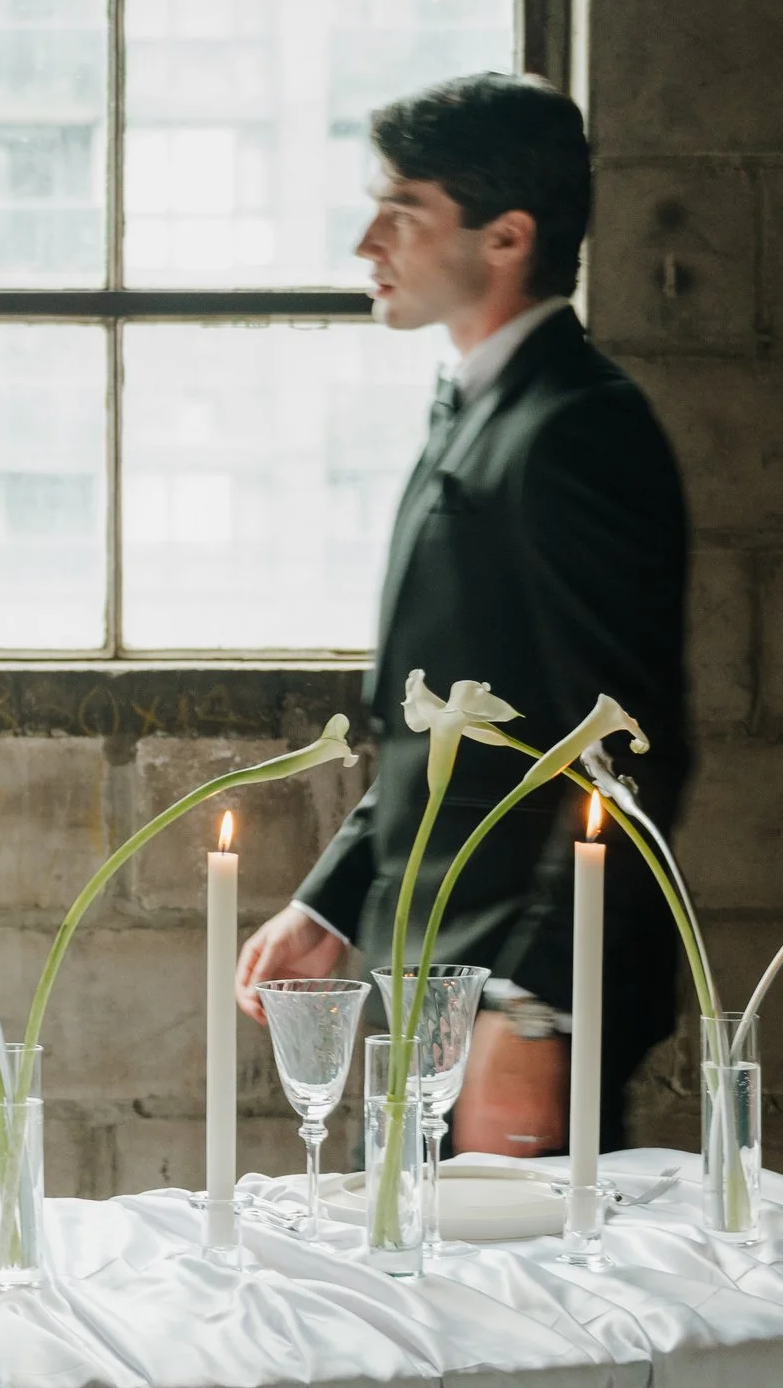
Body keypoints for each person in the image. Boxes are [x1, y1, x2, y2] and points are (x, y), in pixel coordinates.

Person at [236, 74, 692, 1153]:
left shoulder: (578, 431)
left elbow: (628, 752)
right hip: (429, 969)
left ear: (506, 237)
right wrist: (334, 903)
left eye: (402, 210)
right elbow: (435, 718)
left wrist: (532, 1009)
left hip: (512, 999)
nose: (366, 242)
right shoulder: (477, 406)